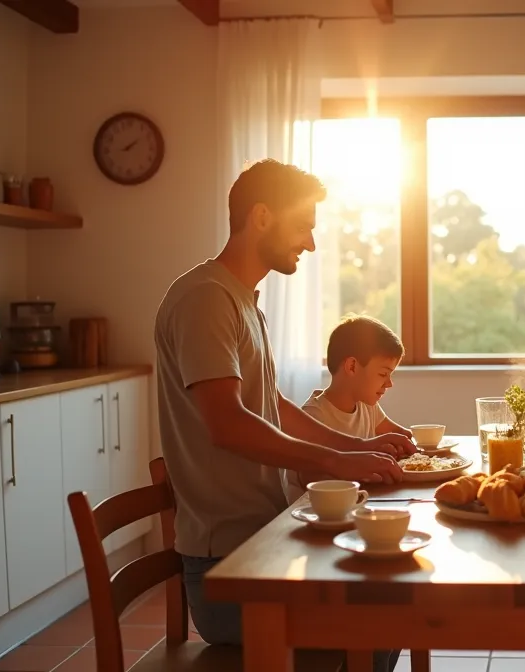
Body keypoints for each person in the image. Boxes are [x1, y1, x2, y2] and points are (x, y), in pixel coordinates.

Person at [153, 159, 415, 669]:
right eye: (304, 227)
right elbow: (226, 423)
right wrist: (337, 462)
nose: (311, 244)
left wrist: (354, 446)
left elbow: (270, 405)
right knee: (380, 615)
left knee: (389, 598)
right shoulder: (206, 298)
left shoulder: (243, 302)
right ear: (263, 217)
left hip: (264, 541)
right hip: (226, 571)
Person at [283, 314, 414, 503]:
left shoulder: (367, 406)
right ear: (352, 366)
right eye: (383, 373)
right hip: (317, 513)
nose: (389, 383)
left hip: (359, 504)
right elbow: (312, 480)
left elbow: (401, 437)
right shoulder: (314, 415)